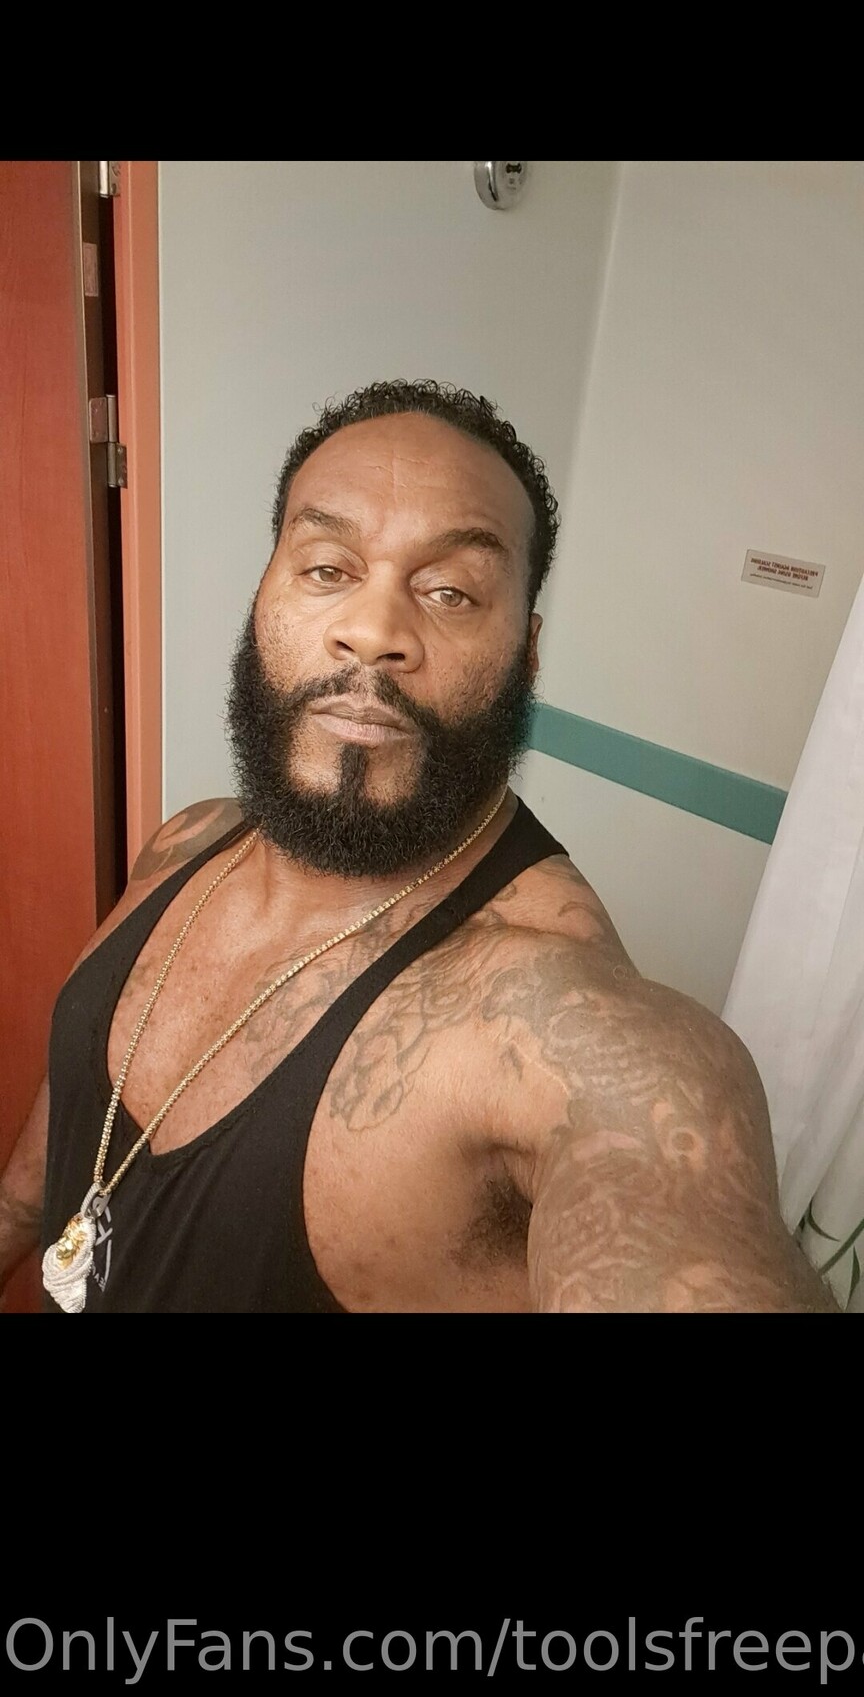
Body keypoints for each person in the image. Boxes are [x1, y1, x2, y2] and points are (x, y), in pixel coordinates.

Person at [1, 380, 838, 1312]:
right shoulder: (185, 843)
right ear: (263, 595)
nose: (373, 632)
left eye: (450, 591)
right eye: (328, 569)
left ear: (526, 653)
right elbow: (43, 1175)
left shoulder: (572, 1029)